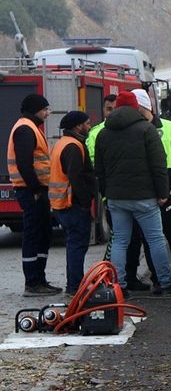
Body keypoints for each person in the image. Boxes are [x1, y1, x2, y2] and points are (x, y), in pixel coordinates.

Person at [94, 90, 171, 295]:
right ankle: (166, 283)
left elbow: (100, 169)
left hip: (116, 198)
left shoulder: (103, 133)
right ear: (135, 107)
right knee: (156, 239)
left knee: (120, 241)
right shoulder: (146, 130)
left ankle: (118, 286)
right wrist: (162, 192)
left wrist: (106, 194)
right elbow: (158, 165)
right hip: (145, 197)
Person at [125, 88, 171, 290]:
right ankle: (158, 279)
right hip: (146, 196)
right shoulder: (132, 131)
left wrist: (167, 188)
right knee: (150, 241)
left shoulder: (170, 127)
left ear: (144, 107)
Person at [7, 94, 61, 296]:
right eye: (45, 109)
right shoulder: (25, 128)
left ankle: (40, 279)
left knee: (43, 234)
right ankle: (32, 282)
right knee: (33, 235)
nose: (48, 113)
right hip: (31, 191)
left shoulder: (31, 127)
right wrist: (36, 189)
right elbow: (23, 163)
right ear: (35, 109)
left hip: (36, 190)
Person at [49, 111, 96, 295]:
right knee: (77, 246)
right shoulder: (74, 146)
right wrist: (85, 201)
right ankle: (75, 286)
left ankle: (74, 284)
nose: (89, 126)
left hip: (61, 204)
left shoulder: (61, 143)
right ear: (78, 126)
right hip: (73, 204)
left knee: (73, 245)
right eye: (87, 122)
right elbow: (76, 177)